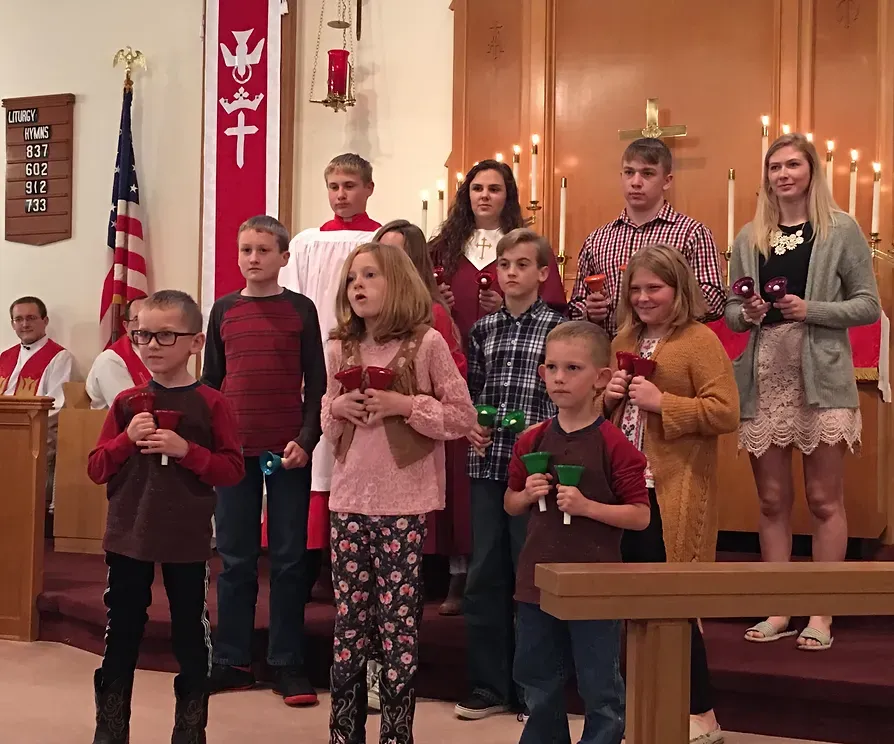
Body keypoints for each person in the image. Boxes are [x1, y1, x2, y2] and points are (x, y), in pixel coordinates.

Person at [726, 133, 880, 651]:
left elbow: (866, 304)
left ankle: (821, 610)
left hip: (821, 375)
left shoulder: (840, 230)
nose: (783, 174)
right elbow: (731, 309)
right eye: (774, 166)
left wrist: (810, 310)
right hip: (765, 373)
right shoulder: (751, 235)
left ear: (812, 171)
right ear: (766, 176)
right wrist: (744, 314)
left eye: (793, 164)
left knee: (822, 498)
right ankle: (778, 606)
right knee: (771, 500)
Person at [321, 240, 475, 744]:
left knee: (397, 626)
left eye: (369, 276)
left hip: (402, 505)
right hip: (347, 500)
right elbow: (325, 413)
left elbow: (461, 418)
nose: (357, 286)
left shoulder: (426, 343)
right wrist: (337, 411)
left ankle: (396, 734)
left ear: (398, 283)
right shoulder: (339, 346)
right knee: (349, 624)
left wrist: (403, 404)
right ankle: (344, 733)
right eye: (351, 279)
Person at [86, 289, 244, 744]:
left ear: (196, 343)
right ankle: (110, 730)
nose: (151, 345)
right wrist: (123, 441)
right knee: (122, 634)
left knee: (190, 637)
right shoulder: (126, 403)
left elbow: (232, 470)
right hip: (129, 535)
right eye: (142, 335)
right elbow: (96, 468)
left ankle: (189, 731)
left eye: (165, 335)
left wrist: (186, 451)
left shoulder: (213, 403)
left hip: (186, 539)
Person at [603, 244, 739, 744]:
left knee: (677, 603)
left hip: (673, 490)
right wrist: (609, 396)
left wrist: (665, 403)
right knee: (637, 604)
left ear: (679, 290)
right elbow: (607, 415)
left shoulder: (699, 340)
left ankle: (702, 712)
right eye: (635, 288)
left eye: (653, 288)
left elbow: (724, 411)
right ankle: (648, 704)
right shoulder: (625, 336)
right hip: (627, 494)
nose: (642, 297)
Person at [506, 321, 651, 744]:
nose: (559, 378)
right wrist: (527, 495)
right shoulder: (532, 439)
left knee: (598, 683)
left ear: (601, 379)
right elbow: (510, 503)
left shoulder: (614, 444)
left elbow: (639, 516)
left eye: (572, 368)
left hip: (596, 582)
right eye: (551, 368)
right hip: (536, 581)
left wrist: (588, 507)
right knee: (536, 677)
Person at [203, 215, 326, 705]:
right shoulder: (224, 311)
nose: (252, 259)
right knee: (234, 558)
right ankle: (231, 659)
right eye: (245, 250)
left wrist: (307, 439)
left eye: (262, 250)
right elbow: (212, 384)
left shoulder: (300, 309)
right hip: (235, 452)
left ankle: (287, 661)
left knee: (291, 559)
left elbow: (317, 384)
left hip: (286, 453)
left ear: (283, 257)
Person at [457, 228, 565, 721]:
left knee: (530, 575)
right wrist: (473, 427)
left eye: (523, 264)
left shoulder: (559, 330)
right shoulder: (483, 330)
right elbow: (473, 395)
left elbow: (568, 402)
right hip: (488, 466)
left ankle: (532, 690)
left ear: (543, 273)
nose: (512, 273)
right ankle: (488, 685)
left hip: (536, 472)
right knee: (484, 573)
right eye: (505, 265)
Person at [280, 153, 382, 594]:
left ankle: (352, 563)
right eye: (334, 186)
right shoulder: (306, 243)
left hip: (364, 351)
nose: (341, 195)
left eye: (350, 186)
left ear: (368, 188)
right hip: (316, 352)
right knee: (317, 452)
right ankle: (309, 562)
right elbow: (296, 300)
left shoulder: (380, 239)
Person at [376, 219, 469, 613]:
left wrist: (408, 403)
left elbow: (452, 382)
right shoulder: (371, 316)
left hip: (420, 426)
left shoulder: (433, 314)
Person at [567, 137, 725, 337]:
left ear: (667, 181)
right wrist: (589, 311)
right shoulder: (597, 240)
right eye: (629, 172)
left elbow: (714, 299)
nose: (636, 182)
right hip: (611, 352)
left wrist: (663, 303)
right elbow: (575, 305)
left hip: (671, 349)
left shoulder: (692, 233)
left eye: (647, 173)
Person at [429, 159, 566, 345]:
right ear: (467, 195)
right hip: (450, 349)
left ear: (507, 197)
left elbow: (553, 309)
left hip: (509, 351)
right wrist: (435, 299)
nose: (484, 195)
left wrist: (507, 308)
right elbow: (416, 302)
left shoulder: (530, 248)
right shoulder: (441, 248)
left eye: (494, 189)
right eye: (477, 188)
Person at [2, 295, 73, 512]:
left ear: (45, 321)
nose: (25, 324)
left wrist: (20, 428)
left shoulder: (59, 357)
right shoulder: (5, 357)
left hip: (35, 435)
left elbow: (56, 406)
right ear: (13, 323)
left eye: (31, 318)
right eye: (19, 319)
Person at [86, 297, 151, 409]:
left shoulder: (160, 353)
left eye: (150, 319)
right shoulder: (111, 360)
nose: (143, 326)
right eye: (137, 319)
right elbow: (128, 408)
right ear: (126, 326)